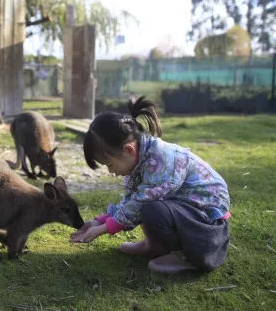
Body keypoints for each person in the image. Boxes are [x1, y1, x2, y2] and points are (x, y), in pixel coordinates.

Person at [70, 96, 230, 273]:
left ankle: (187, 256)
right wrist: (97, 221)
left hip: (206, 227)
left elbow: (140, 204)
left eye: (109, 164)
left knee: (152, 209)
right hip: (188, 215)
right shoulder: (142, 160)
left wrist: (102, 229)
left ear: (128, 149)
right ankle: (155, 246)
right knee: (150, 206)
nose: (110, 171)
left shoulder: (160, 161)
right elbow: (132, 201)